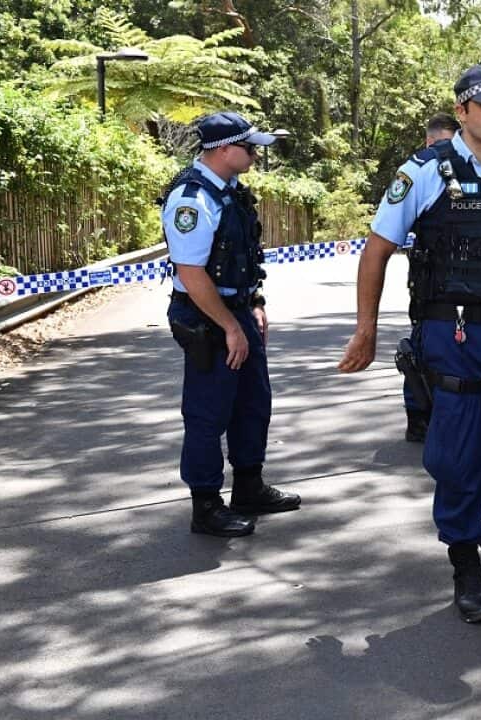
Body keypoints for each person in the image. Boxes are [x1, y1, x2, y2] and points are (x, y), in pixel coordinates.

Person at [338, 64, 481, 623]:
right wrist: (366, 327)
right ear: (462, 112)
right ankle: (465, 561)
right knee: (457, 460)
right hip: (451, 331)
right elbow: (377, 251)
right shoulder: (423, 174)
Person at [161, 111, 301, 538]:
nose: (255, 154)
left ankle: (249, 487)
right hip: (207, 317)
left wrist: (253, 304)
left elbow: (241, 260)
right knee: (208, 412)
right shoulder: (192, 198)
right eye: (249, 147)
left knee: (253, 402)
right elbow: (191, 272)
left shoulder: (231, 192)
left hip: (236, 310)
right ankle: (206, 505)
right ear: (223, 150)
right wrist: (229, 327)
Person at [400, 113, 461, 443]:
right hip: (430, 284)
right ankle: (418, 415)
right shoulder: (418, 172)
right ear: (428, 142)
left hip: (463, 286)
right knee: (420, 348)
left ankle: (443, 411)